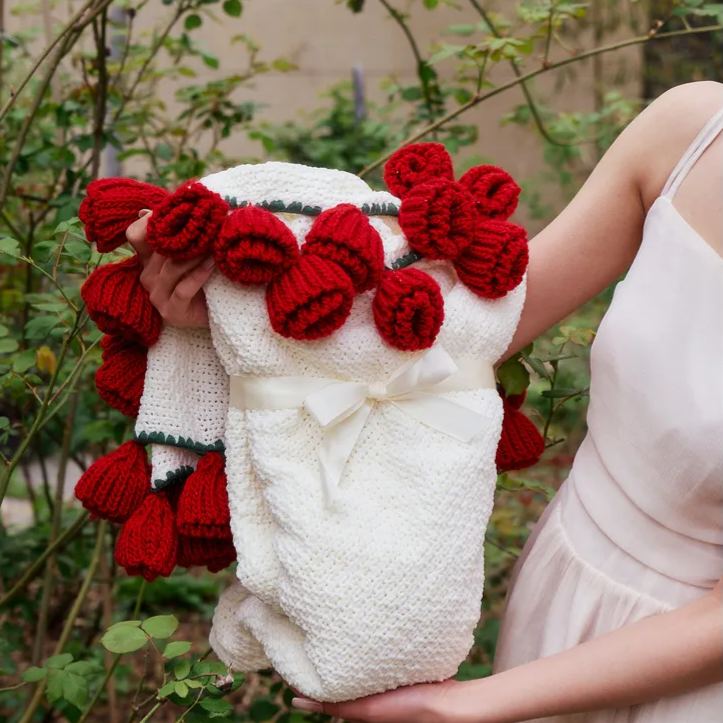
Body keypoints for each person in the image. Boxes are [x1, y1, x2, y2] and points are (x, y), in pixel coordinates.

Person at [125, 80, 723, 722]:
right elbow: (466, 336)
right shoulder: (692, 134)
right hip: (562, 586)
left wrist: (468, 707)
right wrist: (233, 309)